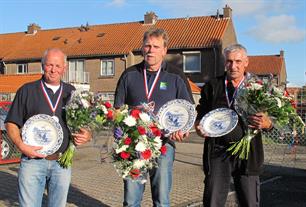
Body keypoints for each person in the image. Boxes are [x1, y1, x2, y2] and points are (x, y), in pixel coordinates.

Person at [114, 28, 194, 207]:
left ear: (165, 50)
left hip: (163, 145)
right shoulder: (129, 74)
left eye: (156, 46)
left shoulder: (176, 76)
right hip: (133, 146)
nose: (151, 50)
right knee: (131, 200)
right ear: (142, 48)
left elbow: (188, 110)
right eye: (147, 46)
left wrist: (182, 130)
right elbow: (117, 110)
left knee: (162, 199)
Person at [5, 48, 92, 207]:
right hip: (32, 161)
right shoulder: (27, 90)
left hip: (61, 163)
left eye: (58, 66)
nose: (53, 70)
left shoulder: (72, 93)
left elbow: (83, 124)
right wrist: (21, 146)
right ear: (42, 65)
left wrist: (87, 134)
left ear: (64, 69)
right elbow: (11, 122)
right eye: (49, 65)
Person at [195, 44, 273, 207]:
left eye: (238, 61)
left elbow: (273, 118)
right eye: (229, 61)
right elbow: (201, 110)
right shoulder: (213, 86)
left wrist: (267, 123)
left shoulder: (258, 87)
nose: (233, 66)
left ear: (246, 62)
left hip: (248, 152)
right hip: (218, 151)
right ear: (225, 63)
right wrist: (199, 125)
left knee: (250, 202)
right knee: (212, 201)